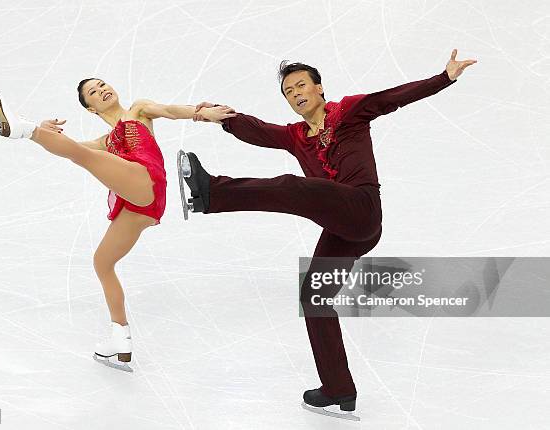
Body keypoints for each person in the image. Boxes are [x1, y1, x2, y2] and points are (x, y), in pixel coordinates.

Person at [182, 49, 476, 410]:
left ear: (319, 88)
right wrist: (224, 117)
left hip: (363, 210)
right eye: (288, 92)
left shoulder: (350, 111)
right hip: (341, 228)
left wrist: (443, 78)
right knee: (314, 298)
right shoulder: (295, 136)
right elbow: (259, 131)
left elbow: (392, 98)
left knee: (292, 187)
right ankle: (339, 388)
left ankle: (212, 193)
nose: (295, 94)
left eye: (301, 85)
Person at [0, 80, 234, 371]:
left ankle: (21, 129)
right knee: (102, 262)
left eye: (102, 84)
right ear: (91, 109)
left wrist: (201, 114)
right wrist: (44, 133)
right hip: (139, 206)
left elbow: (168, 110)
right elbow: (71, 148)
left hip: (146, 180)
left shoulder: (138, 110)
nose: (102, 90)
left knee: (86, 158)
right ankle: (120, 338)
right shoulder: (105, 142)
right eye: (93, 92)